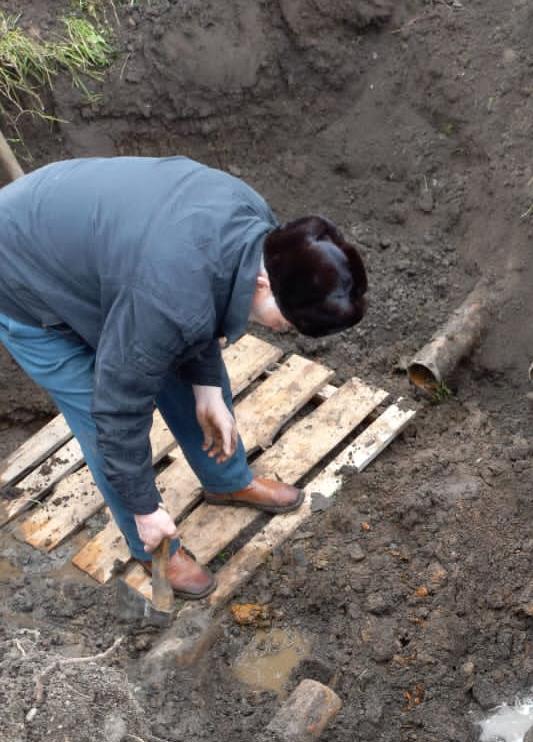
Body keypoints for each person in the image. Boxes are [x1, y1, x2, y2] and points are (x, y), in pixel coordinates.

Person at [0, 155, 368, 598]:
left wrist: (208, 387)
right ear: (265, 284)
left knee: (178, 362)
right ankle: (153, 546)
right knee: (96, 410)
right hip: (21, 276)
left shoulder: (265, 235)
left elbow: (207, 299)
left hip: (103, 255)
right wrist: (146, 507)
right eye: (287, 322)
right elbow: (116, 409)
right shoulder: (168, 300)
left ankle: (228, 482)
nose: (283, 331)